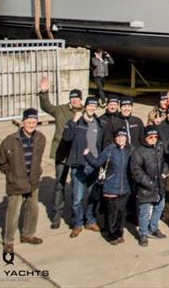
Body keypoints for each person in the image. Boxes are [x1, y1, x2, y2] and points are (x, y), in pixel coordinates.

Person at [0, 108, 46, 253]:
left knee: (33, 209)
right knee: (13, 213)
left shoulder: (40, 138)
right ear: (22, 123)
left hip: (33, 181)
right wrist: (11, 174)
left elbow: (38, 159)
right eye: (29, 122)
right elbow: (1, 161)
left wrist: (36, 172)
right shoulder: (10, 141)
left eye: (34, 122)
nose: (31, 125)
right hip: (16, 182)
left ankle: (28, 235)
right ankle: (9, 241)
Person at [37, 76, 81, 229]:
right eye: (73, 98)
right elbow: (46, 106)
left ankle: (76, 215)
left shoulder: (84, 112)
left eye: (77, 98)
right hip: (61, 153)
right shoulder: (60, 110)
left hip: (76, 154)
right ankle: (56, 214)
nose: (75, 101)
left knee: (76, 185)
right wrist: (44, 92)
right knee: (59, 184)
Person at [63, 96, 103, 237]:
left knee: (93, 196)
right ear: (85, 106)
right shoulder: (76, 120)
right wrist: (74, 121)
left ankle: (90, 221)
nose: (92, 108)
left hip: (93, 165)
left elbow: (100, 145)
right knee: (77, 199)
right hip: (78, 165)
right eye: (90, 105)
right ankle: (78, 223)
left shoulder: (98, 123)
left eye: (94, 106)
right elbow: (67, 137)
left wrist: (101, 164)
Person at [83, 128, 131, 245]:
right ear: (115, 138)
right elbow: (97, 163)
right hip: (111, 186)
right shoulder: (110, 150)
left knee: (121, 212)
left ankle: (119, 233)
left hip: (124, 187)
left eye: (123, 136)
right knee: (112, 213)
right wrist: (87, 155)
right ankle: (111, 235)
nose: (121, 139)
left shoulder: (129, 150)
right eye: (118, 137)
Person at [130, 126, 168, 246]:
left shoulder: (159, 147)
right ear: (145, 138)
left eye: (155, 137)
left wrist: (165, 171)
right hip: (146, 188)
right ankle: (143, 234)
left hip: (160, 185)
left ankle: (154, 228)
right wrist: (149, 183)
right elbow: (136, 171)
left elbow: (164, 162)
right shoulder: (138, 152)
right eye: (150, 137)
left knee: (159, 208)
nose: (153, 139)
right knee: (144, 212)